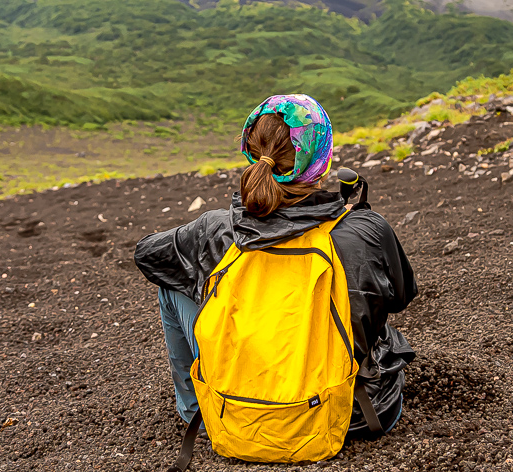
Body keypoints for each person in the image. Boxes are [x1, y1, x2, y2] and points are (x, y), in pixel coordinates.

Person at [134, 93, 417, 449]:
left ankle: (201, 409)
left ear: (251, 153)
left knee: (173, 283)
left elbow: (148, 254)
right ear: (321, 159)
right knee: (364, 297)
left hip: (237, 422)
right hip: (354, 418)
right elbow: (402, 295)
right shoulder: (366, 230)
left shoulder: (218, 230)